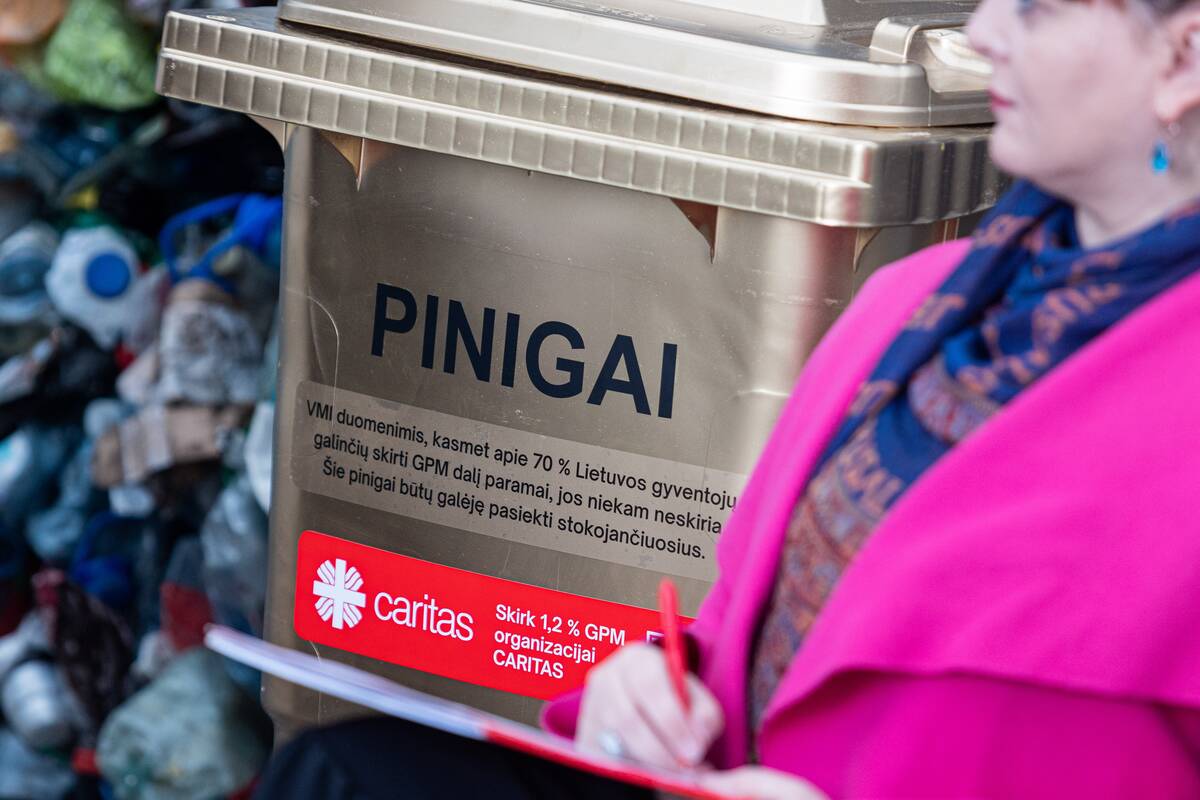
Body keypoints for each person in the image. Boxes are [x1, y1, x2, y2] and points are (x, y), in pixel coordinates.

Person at [257, 0, 1200, 795]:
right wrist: (646, 686)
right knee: (342, 770)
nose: (983, 32)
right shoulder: (922, 301)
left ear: (1183, 56)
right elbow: (759, 623)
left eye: (1037, 7)